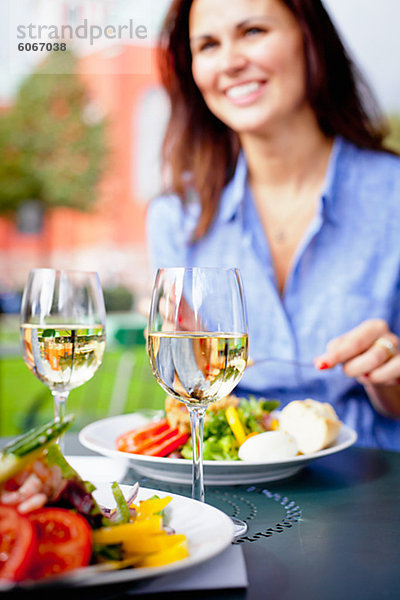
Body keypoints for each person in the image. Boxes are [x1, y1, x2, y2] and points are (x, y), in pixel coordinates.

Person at [145, 0, 400, 450]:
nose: (230, 62)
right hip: (238, 494)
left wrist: (388, 380)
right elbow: (185, 397)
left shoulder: (392, 196)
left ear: (309, 38)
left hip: (377, 486)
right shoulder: (175, 218)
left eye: (253, 31)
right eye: (207, 44)